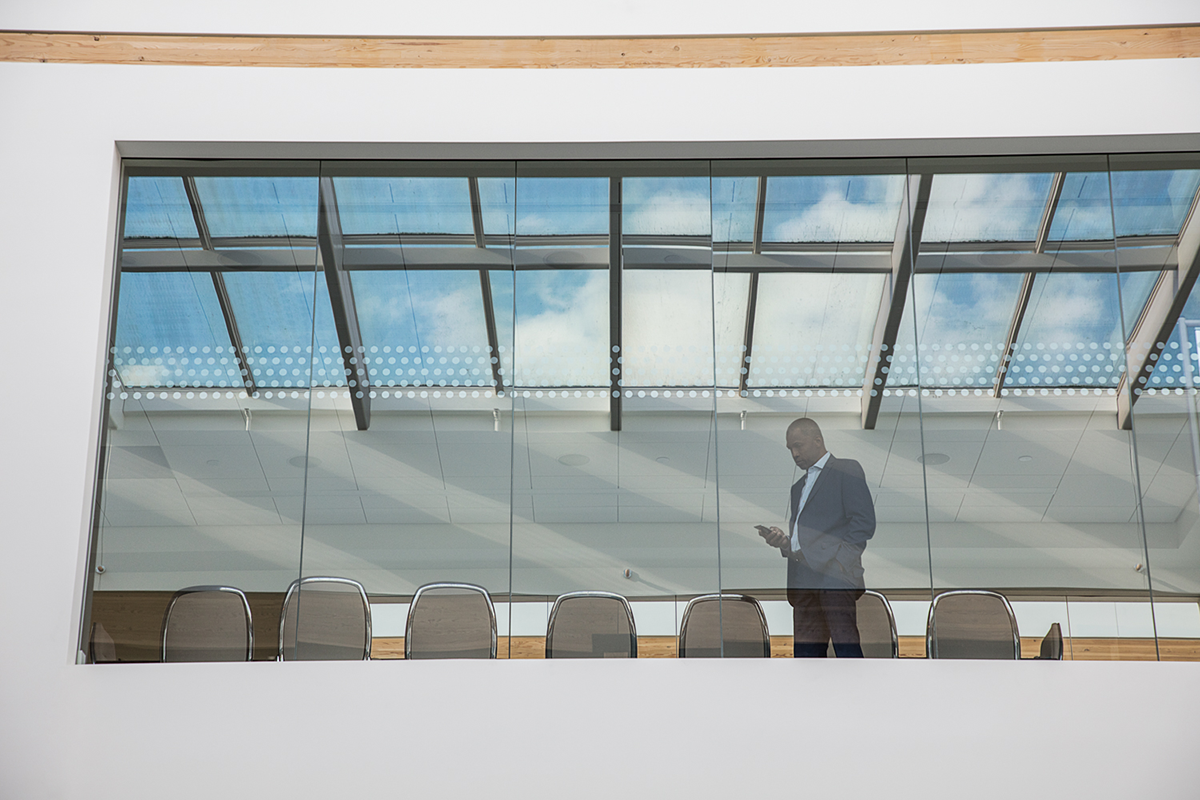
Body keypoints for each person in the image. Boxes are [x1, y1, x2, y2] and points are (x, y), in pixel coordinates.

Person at [757, 418, 875, 658]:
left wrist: (840, 563)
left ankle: (859, 695)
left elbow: (863, 522)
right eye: (790, 448)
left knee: (846, 650)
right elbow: (807, 540)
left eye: (798, 445)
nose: (794, 453)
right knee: (805, 660)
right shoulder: (797, 487)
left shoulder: (846, 469)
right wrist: (785, 542)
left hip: (834, 576)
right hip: (803, 580)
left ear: (818, 440)